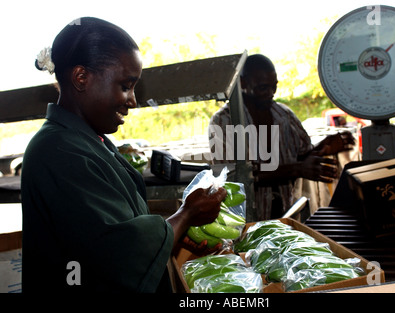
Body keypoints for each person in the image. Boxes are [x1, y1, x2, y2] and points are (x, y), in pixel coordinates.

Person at [21, 17, 226, 293]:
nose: (133, 100)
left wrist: (173, 232)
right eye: (126, 86)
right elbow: (116, 254)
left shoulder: (89, 140)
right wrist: (186, 214)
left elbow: (115, 221)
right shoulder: (58, 152)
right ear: (81, 78)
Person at [208, 54, 354, 220]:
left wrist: (323, 147)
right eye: (263, 87)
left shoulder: (283, 115)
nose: (271, 93)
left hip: (284, 215)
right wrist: (297, 169)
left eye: (274, 86)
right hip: (244, 221)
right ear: (242, 83)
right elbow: (233, 175)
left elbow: (301, 157)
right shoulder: (224, 121)